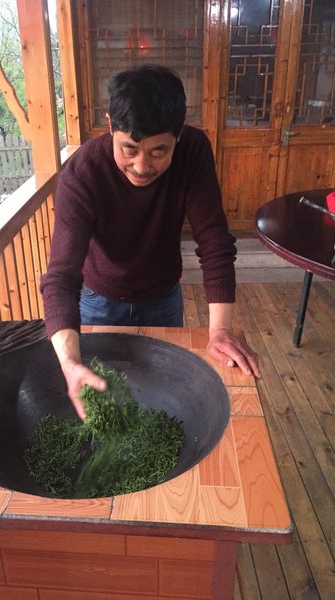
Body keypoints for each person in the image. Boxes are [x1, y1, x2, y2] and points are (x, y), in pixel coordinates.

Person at [40, 64, 260, 419]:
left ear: (178, 135)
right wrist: (70, 363)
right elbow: (61, 278)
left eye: (159, 152)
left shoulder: (193, 151)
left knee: (161, 401)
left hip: (163, 297)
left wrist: (220, 330)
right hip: (98, 300)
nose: (142, 166)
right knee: (102, 404)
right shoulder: (82, 175)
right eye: (129, 149)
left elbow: (214, 242)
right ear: (110, 126)